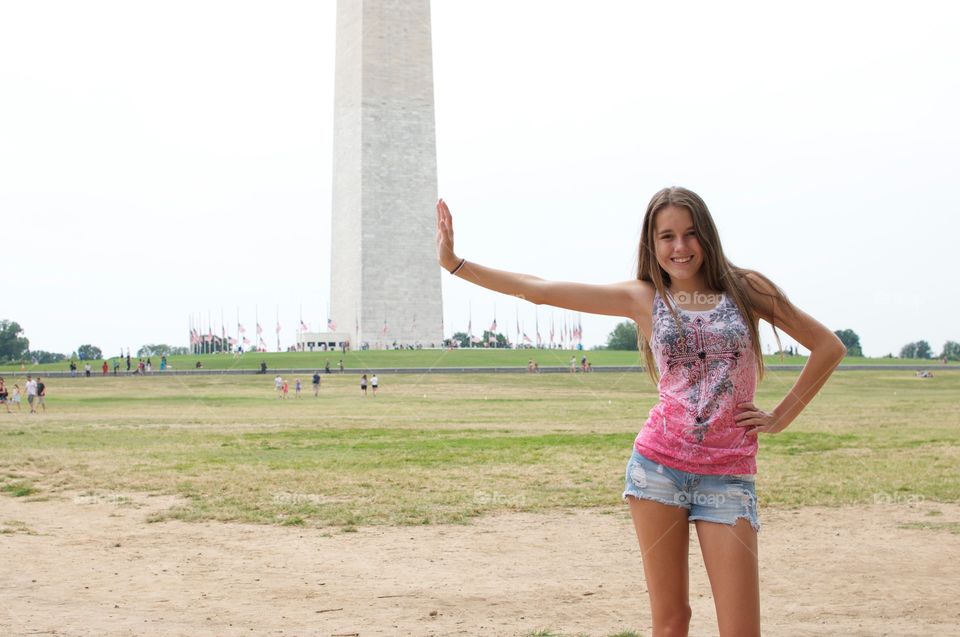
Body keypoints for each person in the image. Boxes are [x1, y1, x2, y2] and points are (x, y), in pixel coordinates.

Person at [436, 189, 846, 637]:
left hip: (728, 475)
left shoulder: (747, 290)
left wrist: (782, 416)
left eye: (691, 234)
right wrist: (457, 264)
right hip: (658, 470)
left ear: (707, 236)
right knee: (672, 623)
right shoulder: (643, 297)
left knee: (741, 630)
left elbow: (828, 346)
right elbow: (541, 291)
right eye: (667, 236)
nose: (680, 247)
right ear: (652, 245)